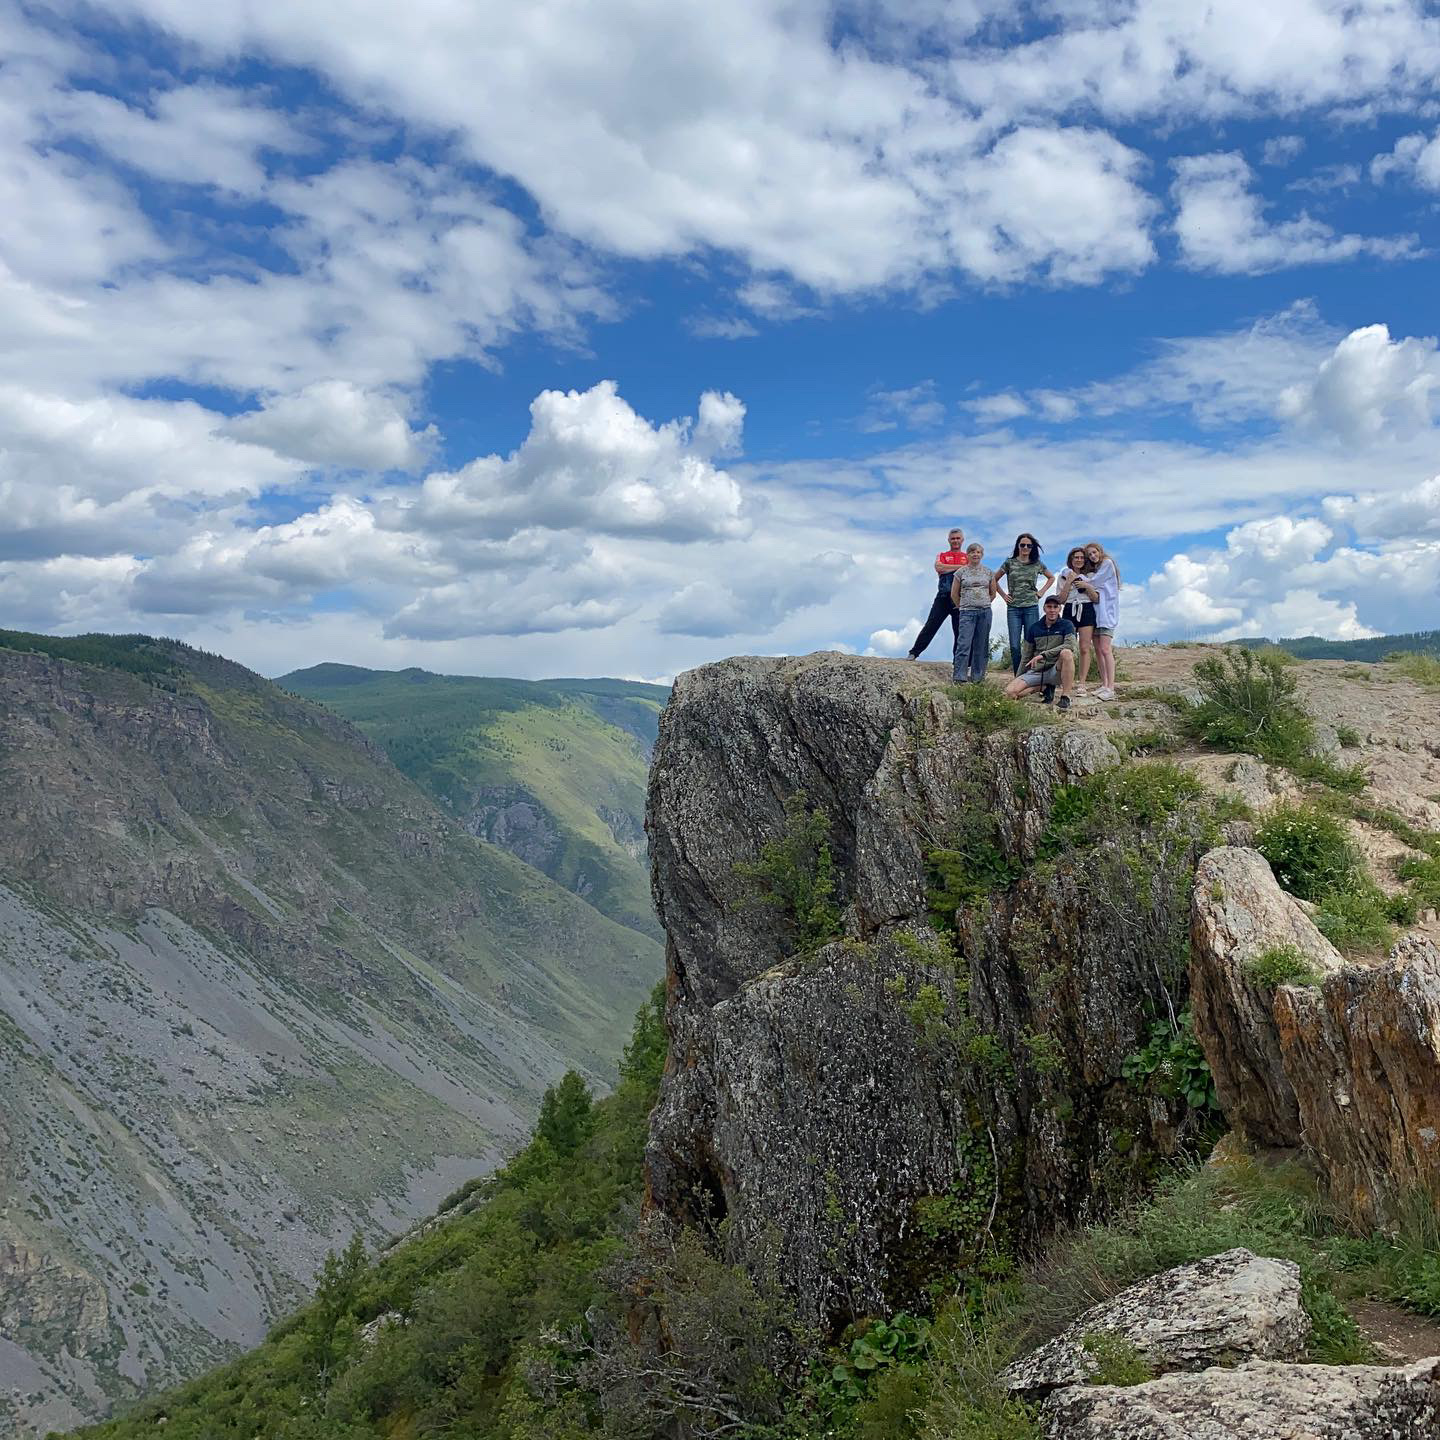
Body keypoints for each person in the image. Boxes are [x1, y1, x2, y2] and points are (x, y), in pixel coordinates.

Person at [992, 533, 1053, 674]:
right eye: (1022, 545)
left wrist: (1041, 592)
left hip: (1031, 606)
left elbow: (1051, 578)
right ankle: (1018, 675)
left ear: (1032, 548)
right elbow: (994, 579)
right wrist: (1003, 595)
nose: (1025, 547)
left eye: (1029, 545)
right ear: (1018, 546)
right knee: (1014, 645)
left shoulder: (1037, 564)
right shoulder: (1009, 563)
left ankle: (1029, 676)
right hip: (1013, 608)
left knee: (1029, 644)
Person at [1004, 594, 1077, 712]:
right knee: (1010, 693)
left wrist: (1043, 655)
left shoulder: (1067, 625)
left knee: (1067, 653)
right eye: (1049, 607)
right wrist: (1018, 677)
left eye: (1055, 607)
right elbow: (1026, 656)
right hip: (1037, 671)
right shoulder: (1034, 628)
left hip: (1056, 670)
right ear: (1044, 608)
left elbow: (1070, 645)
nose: (1052, 610)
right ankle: (1043, 688)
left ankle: (1065, 697)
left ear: (1059, 608)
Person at [907, 527, 968, 659]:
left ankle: (959, 661)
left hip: (960, 598)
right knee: (931, 625)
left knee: (959, 630)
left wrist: (950, 568)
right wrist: (961, 567)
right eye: (953, 539)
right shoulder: (942, 555)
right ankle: (914, 653)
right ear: (948, 540)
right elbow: (939, 568)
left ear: (962, 540)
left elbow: (970, 572)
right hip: (943, 597)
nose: (955, 541)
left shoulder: (967, 557)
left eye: (958, 538)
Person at [1055, 546, 1099, 694]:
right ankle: (1064, 679)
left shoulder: (1092, 576)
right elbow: (1060, 600)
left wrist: (1087, 586)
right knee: (1067, 647)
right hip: (1069, 608)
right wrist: (1069, 582)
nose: (1079, 560)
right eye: (1076, 557)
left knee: (1085, 648)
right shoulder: (1063, 575)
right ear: (1071, 560)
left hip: (1086, 609)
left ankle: (1082, 683)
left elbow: (1096, 598)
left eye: (1081, 557)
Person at [950, 541, 994, 683]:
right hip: (966, 613)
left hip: (984, 613)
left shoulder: (988, 572)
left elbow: (993, 593)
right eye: (972, 552)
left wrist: (983, 603)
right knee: (964, 644)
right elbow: (954, 594)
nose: (975, 554)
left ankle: (977, 678)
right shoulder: (960, 572)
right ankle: (959, 677)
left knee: (981, 646)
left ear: (982, 555)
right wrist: (962, 606)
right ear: (967, 555)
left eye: (978, 552)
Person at [1083, 540, 1121, 701]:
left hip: (1107, 614)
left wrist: (1079, 578)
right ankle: (1104, 684)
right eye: (1089, 554)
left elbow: (1095, 582)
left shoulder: (1107, 563)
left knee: (1105, 649)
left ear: (1100, 551)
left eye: (1094, 552)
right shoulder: (1096, 568)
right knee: (1098, 650)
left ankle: (1111, 687)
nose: (1093, 556)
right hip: (1097, 614)